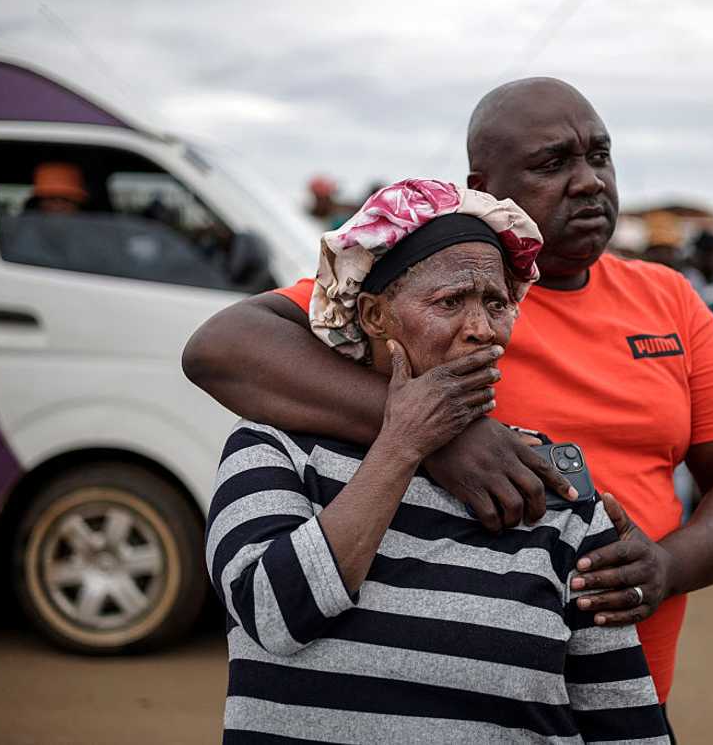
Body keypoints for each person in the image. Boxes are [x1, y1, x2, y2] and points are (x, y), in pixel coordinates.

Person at [183, 77, 713, 711]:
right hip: (459, 703)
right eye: (552, 163)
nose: (588, 181)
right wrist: (439, 433)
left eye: (599, 156)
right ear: (483, 186)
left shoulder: (669, 299)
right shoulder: (438, 287)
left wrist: (666, 567)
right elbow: (222, 347)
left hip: (624, 696)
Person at [206, 180, 671, 742]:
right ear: (374, 315)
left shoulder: (544, 480)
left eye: (497, 304)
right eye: (450, 302)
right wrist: (403, 444)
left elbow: (621, 716)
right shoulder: (275, 448)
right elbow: (273, 614)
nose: (483, 330)